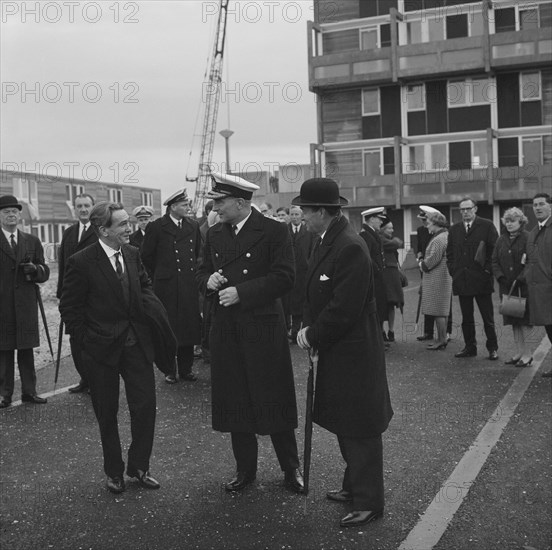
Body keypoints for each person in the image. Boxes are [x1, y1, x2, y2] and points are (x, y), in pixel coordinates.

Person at [293, 178, 393, 528]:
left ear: (322, 211)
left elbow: (343, 308)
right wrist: (312, 332)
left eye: (305, 211)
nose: (302, 216)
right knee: (346, 422)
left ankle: (370, 501)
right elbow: (313, 293)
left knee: (361, 427)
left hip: (354, 352)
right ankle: (354, 487)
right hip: (339, 350)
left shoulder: (349, 245)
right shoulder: (326, 239)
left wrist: (312, 335)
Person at [196, 172, 304, 494]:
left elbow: (285, 277)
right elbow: (200, 272)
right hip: (227, 329)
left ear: (241, 203)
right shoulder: (215, 234)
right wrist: (208, 282)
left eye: (220, 201)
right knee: (236, 400)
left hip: (262, 328)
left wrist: (242, 292)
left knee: (274, 399)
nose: (216, 207)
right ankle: (245, 470)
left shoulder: (274, 231)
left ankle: (291, 468)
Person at [59, 201, 160, 494]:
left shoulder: (132, 254)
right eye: (122, 225)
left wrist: (150, 320)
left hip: (135, 345)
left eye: (128, 222)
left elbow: (145, 286)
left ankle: (139, 467)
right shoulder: (81, 262)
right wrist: (87, 342)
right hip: (100, 351)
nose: (129, 229)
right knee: (107, 412)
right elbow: (70, 308)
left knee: (145, 408)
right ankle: (114, 471)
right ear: (103, 230)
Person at [141, 189, 202, 383]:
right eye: (184, 205)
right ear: (173, 207)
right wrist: (159, 276)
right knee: (168, 328)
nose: (188, 208)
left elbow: (198, 253)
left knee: (188, 327)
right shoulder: (157, 227)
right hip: (166, 287)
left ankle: (186, 369)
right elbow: (146, 257)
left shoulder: (192, 226)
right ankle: (170, 370)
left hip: (188, 285)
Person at [0, 195, 50, 409]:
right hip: (2, 305)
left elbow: (45, 271)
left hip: (26, 304)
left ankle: (30, 391)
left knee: (26, 348)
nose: (11, 214)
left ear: (20, 214)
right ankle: (4, 394)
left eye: (14, 211)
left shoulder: (32, 241)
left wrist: (35, 270)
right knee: (4, 349)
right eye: (5, 211)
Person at [446, 197, 499, 360]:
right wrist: (454, 271)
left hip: (481, 279)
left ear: (475, 209)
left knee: (487, 317)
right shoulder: (454, 229)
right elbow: (450, 253)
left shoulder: (487, 225)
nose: (465, 212)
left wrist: (487, 271)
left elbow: (495, 250)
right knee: (466, 317)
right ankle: (470, 347)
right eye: (462, 209)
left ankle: (492, 348)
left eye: (468, 208)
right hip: (462, 279)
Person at [57, 192, 97, 393]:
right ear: (74, 209)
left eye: (86, 206)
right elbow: (63, 265)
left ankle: (96, 381)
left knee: (92, 340)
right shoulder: (69, 233)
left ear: (93, 207)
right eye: (79, 206)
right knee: (75, 340)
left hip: (94, 298)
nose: (83, 210)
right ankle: (84, 379)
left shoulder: (100, 232)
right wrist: (61, 295)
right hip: (73, 299)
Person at [492, 207, 532, 367]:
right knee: (513, 321)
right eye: (507, 221)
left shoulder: (528, 238)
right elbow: (494, 260)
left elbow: (531, 261)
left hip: (522, 286)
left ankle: (528, 354)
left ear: (520, 222)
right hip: (506, 286)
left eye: (512, 221)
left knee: (524, 321)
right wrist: (500, 276)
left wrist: (521, 278)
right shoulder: (501, 239)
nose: (509, 224)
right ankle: (519, 352)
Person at [520, 193, 552, 376]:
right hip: (539, 290)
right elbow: (529, 260)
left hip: (548, 288)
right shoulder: (533, 232)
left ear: (550, 206)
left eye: (541, 204)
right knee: (549, 328)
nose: (538, 208)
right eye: (535, 205)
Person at [416, 205, 453, 342]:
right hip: (441, 278)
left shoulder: (438, 239)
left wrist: (421, 264)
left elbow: (431, 261)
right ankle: (441, 339)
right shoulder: (444, 235)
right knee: (441, 312)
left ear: (436, 223)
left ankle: (442, 340)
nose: (427, 226)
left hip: (437, 279)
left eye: (429, 223)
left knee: (439, 313)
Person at [359, 207, 388, 344]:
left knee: (380, 308)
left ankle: (378, 338)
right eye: (379, 219)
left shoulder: (372, 233)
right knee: (374, 309)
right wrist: (377, 270)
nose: (381, 222)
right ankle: (374, 340)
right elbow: (367, 257)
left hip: (377, 277)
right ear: (371, 219)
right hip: (373, 278)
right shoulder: (365, 234)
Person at [287, 205, 314, 342]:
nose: (294, 217)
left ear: (301, 216)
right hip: (290, 272)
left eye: (297, 214)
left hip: (304, 273)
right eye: (292, 214)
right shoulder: (285, 231)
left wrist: (309, 264)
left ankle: (303, 333)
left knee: (303, 302)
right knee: (291, 303)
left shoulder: (308, 231)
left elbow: (312, 250)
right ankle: (292, 331)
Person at [379, 218, 404, 342]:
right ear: (383, 229)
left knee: (392, 304)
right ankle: (383, 331)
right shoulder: (380, 239)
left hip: (392, 274)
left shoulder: (385, 239)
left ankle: (391, 330)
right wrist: (396, 241)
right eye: (389, 228)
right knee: (383, 304)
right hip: (385, 275)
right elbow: (396, 243)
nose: (392, 230)